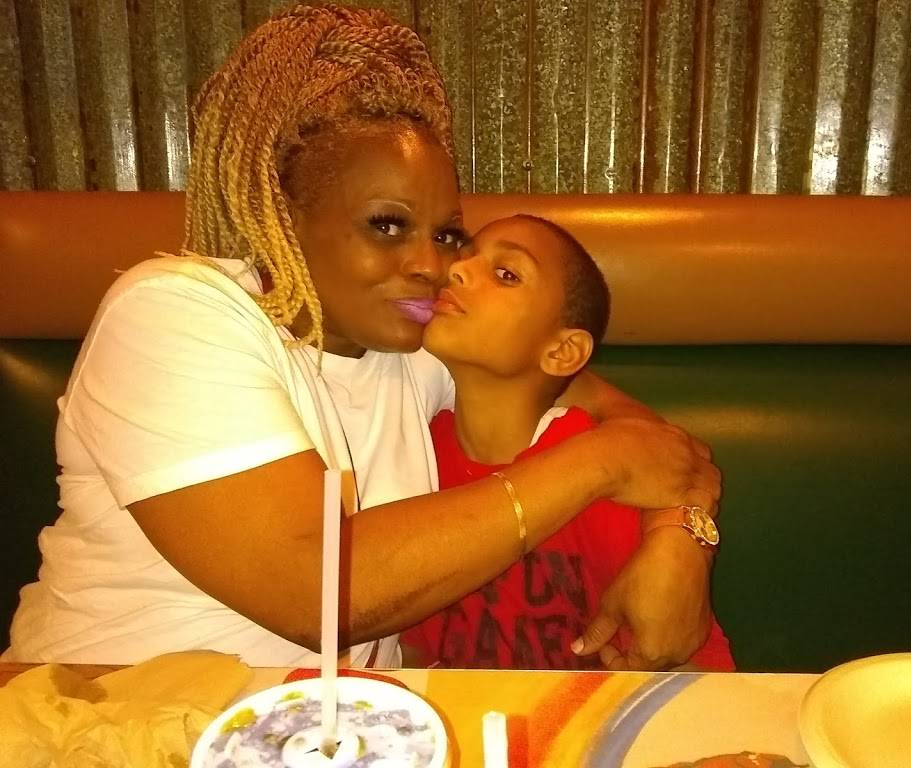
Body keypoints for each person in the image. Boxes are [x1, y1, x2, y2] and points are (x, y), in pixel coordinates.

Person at [5, 5, 721, 671]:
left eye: (446, 234)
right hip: (104, 709)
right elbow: (313, 592)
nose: (433, 265)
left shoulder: (415, 349)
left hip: (334, 727)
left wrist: (680, 537)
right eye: (387, 225)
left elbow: (634, 428)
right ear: (281, 214)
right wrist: (599, 465)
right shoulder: (174, 312)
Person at [400, 215, 734, 670]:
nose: (455, 270)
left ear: (562, 352)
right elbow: (413, 651)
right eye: (464, 256)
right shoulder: (418, 452)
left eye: (507, 274)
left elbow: (681, 653)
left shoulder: (611, 473)